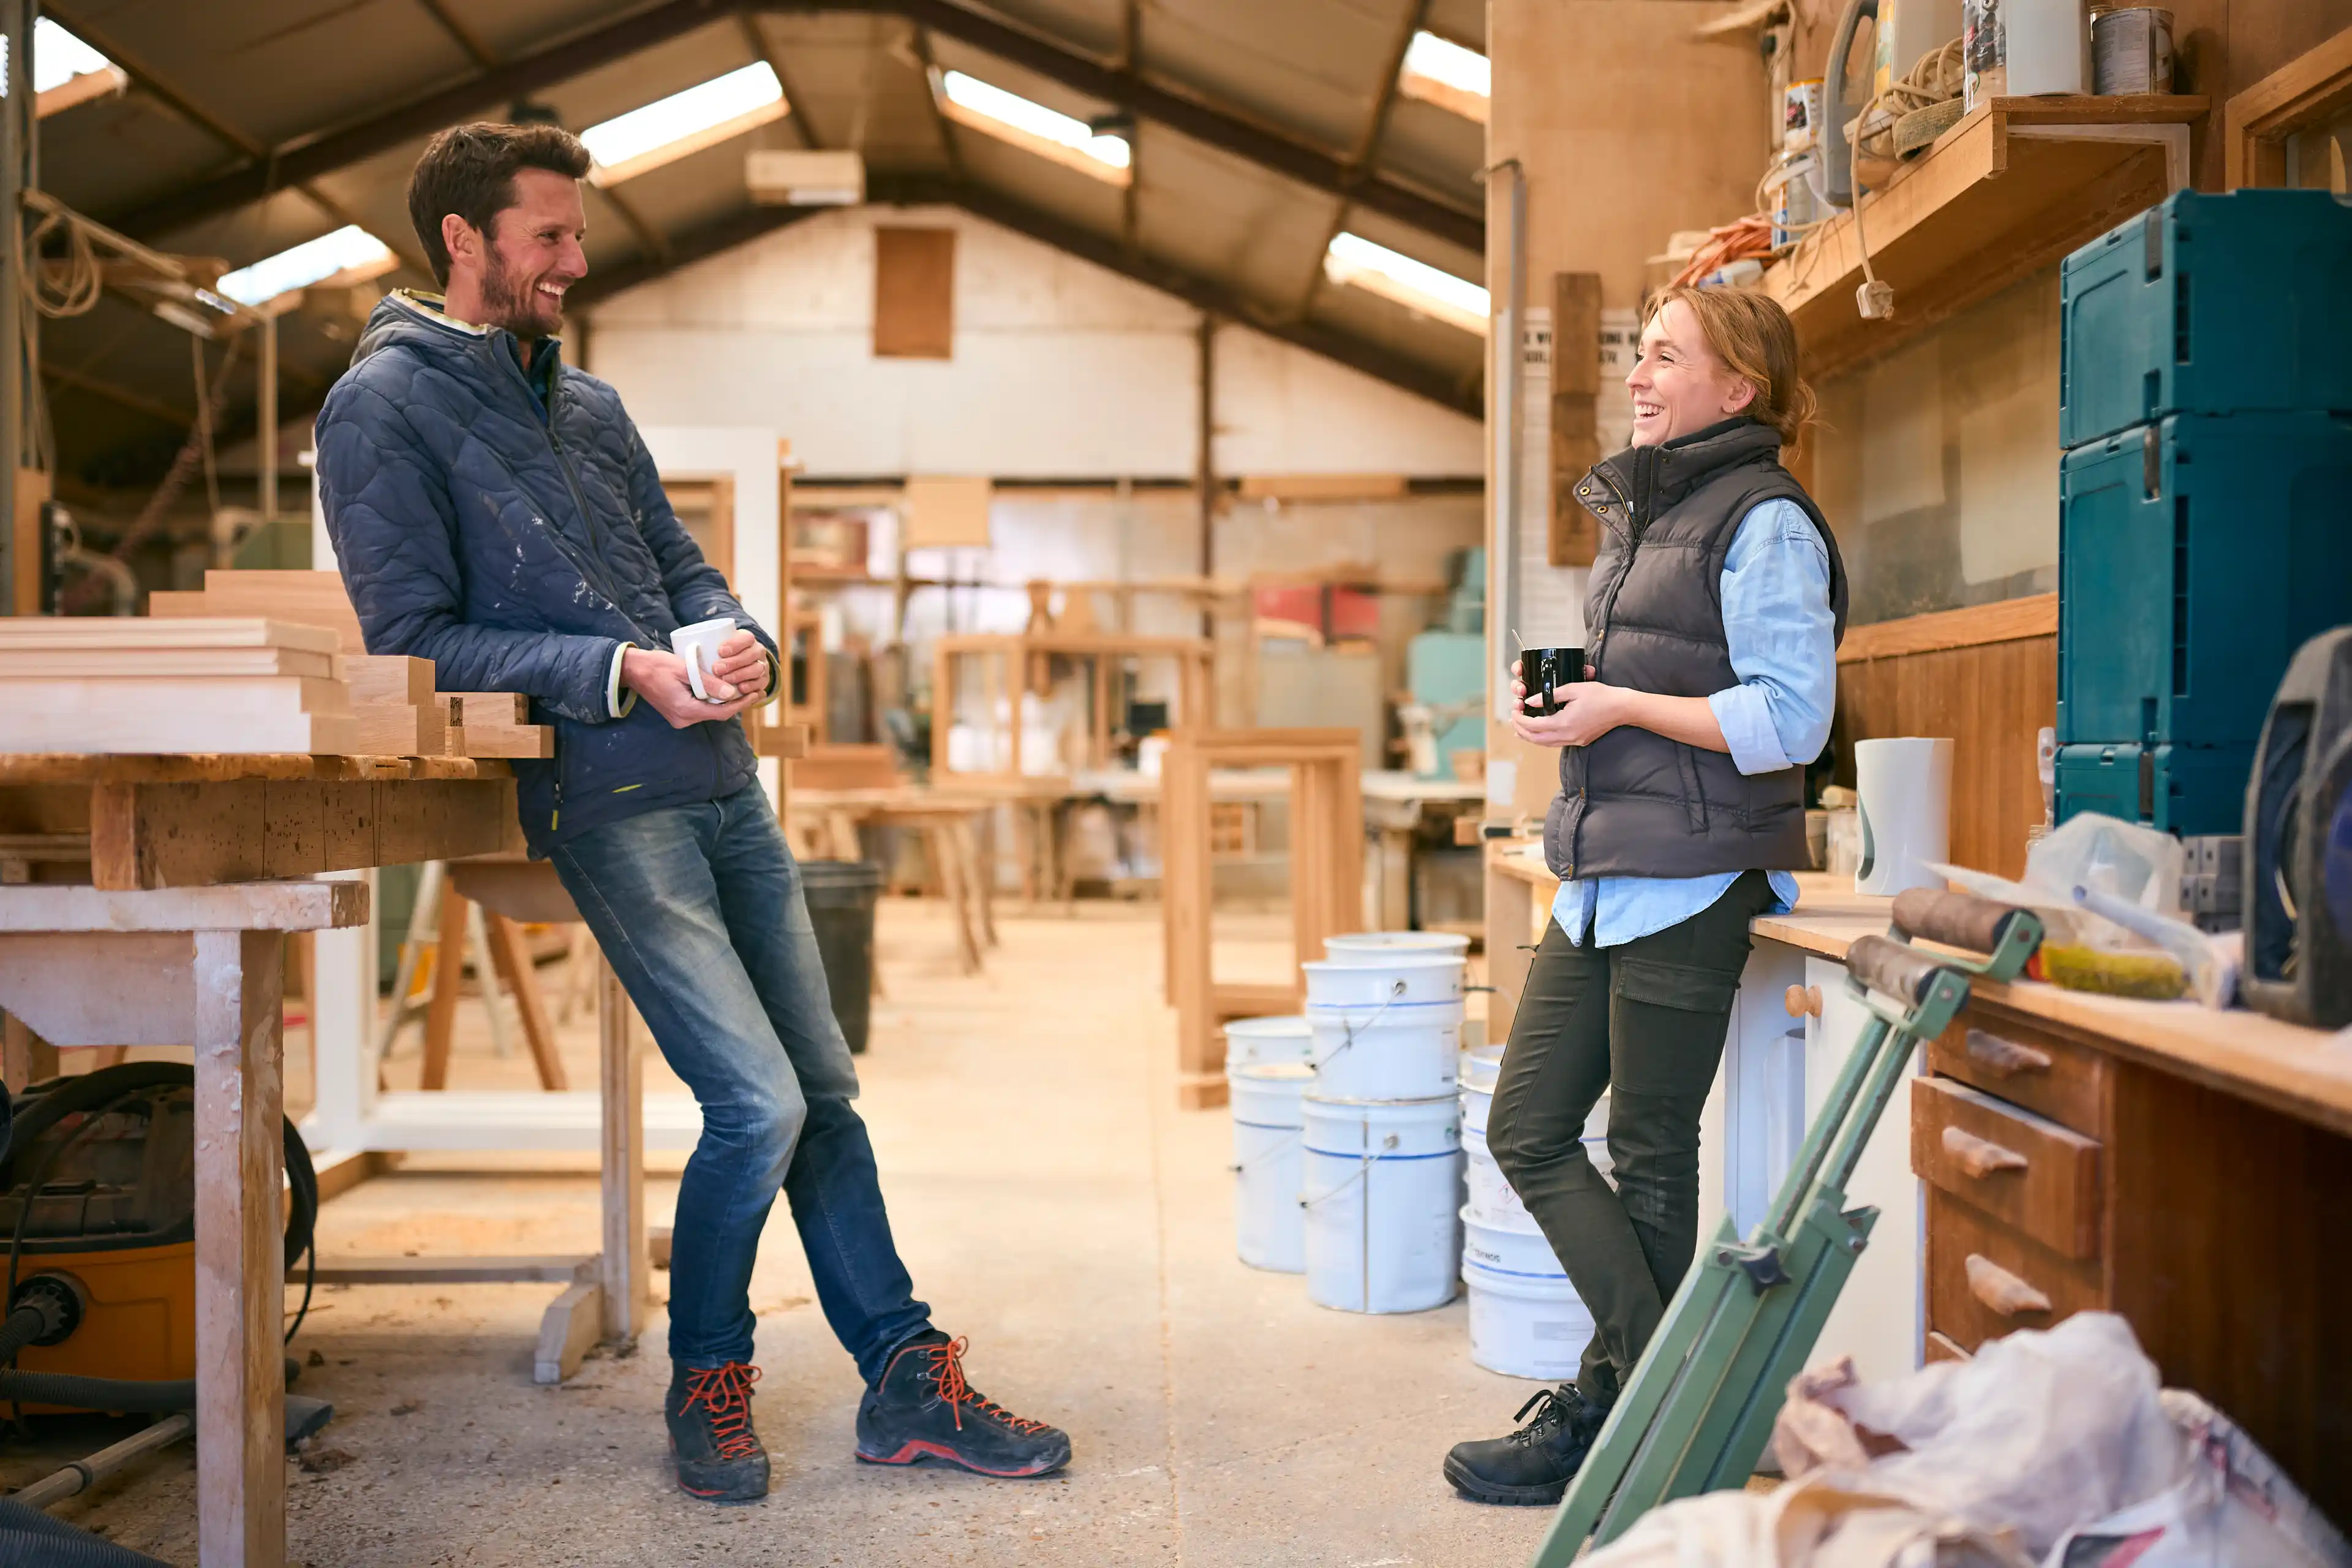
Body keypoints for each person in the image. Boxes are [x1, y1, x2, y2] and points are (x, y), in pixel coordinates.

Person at [315, 122, 1071, 1504]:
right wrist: (619, 671)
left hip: (721, 782)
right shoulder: (384, 405)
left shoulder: (589, 404)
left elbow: (683, 567)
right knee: (755, 1101)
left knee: (825, 1097)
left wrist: (735, 638)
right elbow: (409, 637)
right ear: (464, 241)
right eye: (547, 235)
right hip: (605, 796)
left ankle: (905, 1378)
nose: (575, 259)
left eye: (576, 233)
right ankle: (707, 1379)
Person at [1442, 286, 1844, 1506]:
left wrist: (1617, 705)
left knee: (1655, 1154)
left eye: (1667, 354)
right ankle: (1662, 1397)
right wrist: (1557, 700)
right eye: (1640, 353)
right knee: (1527, 1123)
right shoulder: (1648, 509)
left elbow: (1793, 716)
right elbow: (1653, 676)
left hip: (1703, 864)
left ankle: (1622, 1418)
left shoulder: (1767, 521)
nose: (1640, 372)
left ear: (1740, 389)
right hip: (1612, 859)